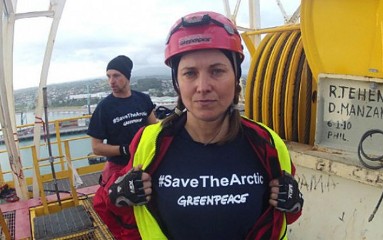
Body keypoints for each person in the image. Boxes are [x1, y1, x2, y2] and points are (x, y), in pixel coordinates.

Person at [98, 12, 304, 240]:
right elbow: (126, 217)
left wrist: (292, 204)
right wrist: (117, 196)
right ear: (177, 81)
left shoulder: (267, 143)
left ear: (236, 76)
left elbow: (281, 218)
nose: (203, 86)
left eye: (217, 71)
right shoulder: (149, 142)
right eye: (190, 73)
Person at [87, 55, 157, 229]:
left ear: (127, 77)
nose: (111, 81)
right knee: (125, 216)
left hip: (144, 163)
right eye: (108, 76)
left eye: (116, 75)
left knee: (152, 207)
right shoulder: (105, 108)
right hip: (120, 169)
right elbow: (96, 147)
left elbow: (153, 127)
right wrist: (124, 150)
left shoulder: (142, 100)